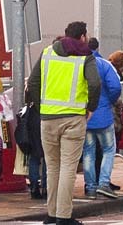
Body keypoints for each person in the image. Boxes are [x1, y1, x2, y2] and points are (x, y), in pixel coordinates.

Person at [28, 21, 101, 225]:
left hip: (48, 118)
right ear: (83, 37)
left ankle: (51, 214)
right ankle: (64, 216)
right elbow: (95, 83)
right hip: (73, 118)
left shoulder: (47, 52)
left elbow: (33, 82)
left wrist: (42, 106)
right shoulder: (86, 56)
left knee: (52, 167)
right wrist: (91, 108)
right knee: (68, 167)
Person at [82, 38, 121, 200]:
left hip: (84, 116)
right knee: (108, 149)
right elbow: (116, 86)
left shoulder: (79, 65)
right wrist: (108, 101)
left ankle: (90, 187)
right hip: (103, 115)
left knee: (88, 152)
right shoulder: (104, 64)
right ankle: (104, 183)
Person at [107, 50, 123, 191]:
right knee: (108, 150)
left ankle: (93, 183)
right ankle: (104, 181)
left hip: (102, 115)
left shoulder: (105, 68)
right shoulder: (113, 74)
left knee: (95, 152)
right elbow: (115, 92)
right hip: (110, 117)